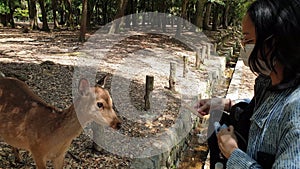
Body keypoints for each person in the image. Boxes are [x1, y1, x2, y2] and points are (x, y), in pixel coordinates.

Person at [195, 0, 300, 168]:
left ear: (273, 42)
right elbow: (258, 109)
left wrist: (233, 153)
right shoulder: (267, 82)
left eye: (247, 40)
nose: (243, 46)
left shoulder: (295, 112)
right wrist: (226, 104)